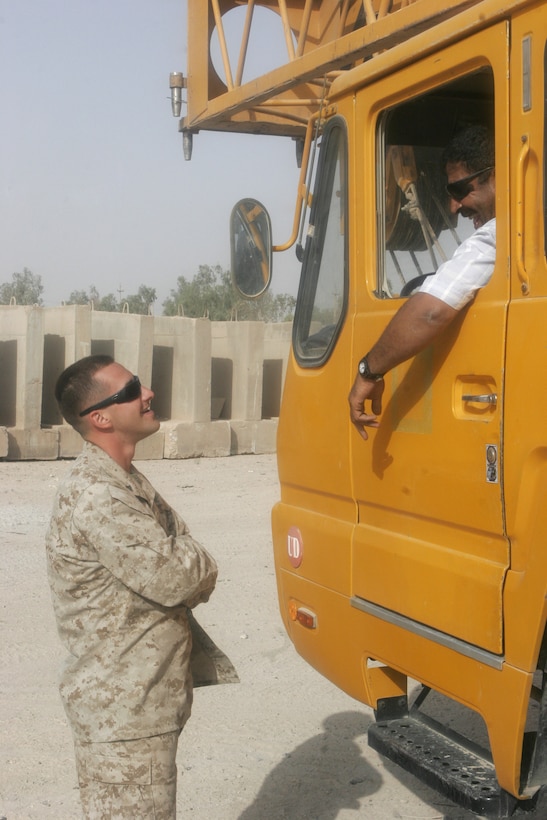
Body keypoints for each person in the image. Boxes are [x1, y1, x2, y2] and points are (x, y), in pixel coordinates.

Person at [46, 355, 219, 819]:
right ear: (100, 418)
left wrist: (183, 551)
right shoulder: (99, 494)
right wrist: (190, 555)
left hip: (141, 703)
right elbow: (178, 574)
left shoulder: (122, 479)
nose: (148, 394)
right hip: (122, 713)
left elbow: (178, 550)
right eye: (130, 390)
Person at [348, 124, 496, 439]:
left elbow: (431, 311)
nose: (454, 207)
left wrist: (368, 371)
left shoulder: (499, 236)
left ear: (497, 175)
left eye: (459, 190)